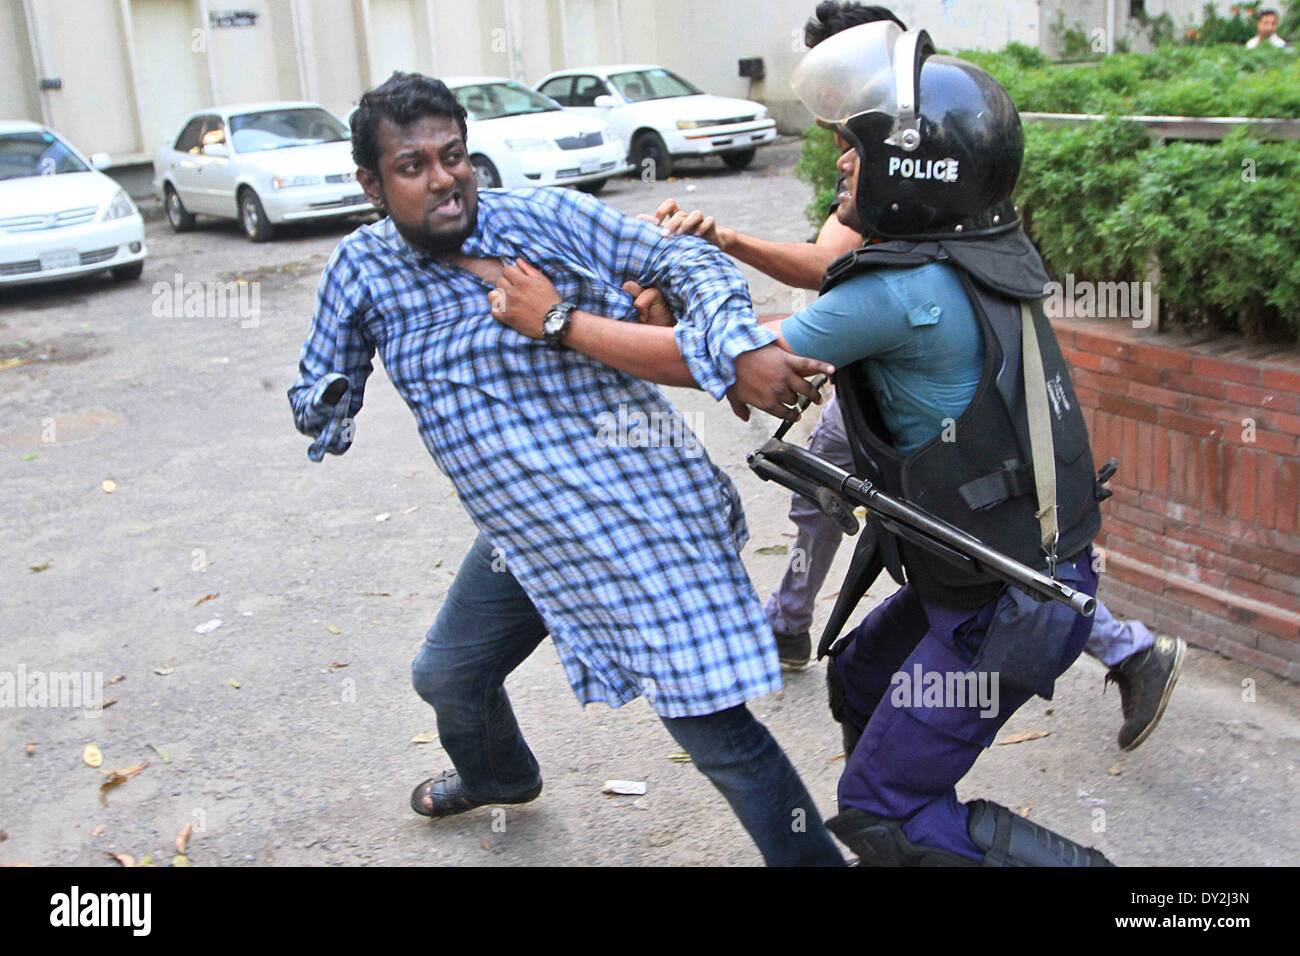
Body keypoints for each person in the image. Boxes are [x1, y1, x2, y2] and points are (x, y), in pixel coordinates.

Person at [490, 21, 1119, 865]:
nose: (840, 164)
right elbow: (793, 323)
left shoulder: (907, 289)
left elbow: (746, 361)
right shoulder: (968, 249)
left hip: (1012, 602)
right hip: (987, 577)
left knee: (880, 813)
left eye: (854, 149)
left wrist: (559, 321)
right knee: (859, 678)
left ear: (913, 167)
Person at [287, 71, 844, 866]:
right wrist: (331, 397)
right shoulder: (361, 271)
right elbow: (317, 384)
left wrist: (734, 343)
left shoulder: (542, 220)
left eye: (454, 156)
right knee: (448, 676)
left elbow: (685, 263)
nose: (444, 178)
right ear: (371, 185)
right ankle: (501, 776)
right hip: (522, 537)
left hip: (632, 522)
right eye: (414, 167)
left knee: (714, 731)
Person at [644, 0, 1185, 756]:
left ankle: (795, 626)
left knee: (905, 507)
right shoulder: (916, 166)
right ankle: (805, 627)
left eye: (845, 109)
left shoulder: (915, 150)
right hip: (891, 355)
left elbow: (831, 274)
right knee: (877, 515)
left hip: (895, 356)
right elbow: (842, 264)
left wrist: (584, 321)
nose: (837, 136)